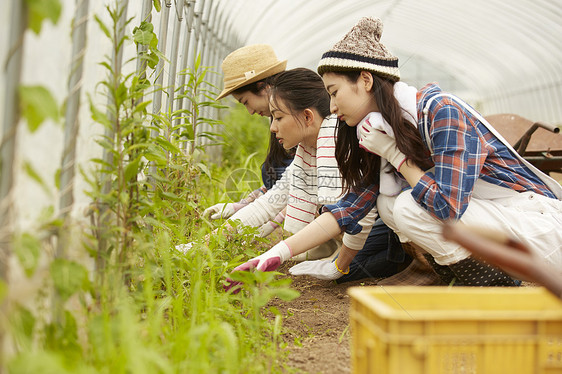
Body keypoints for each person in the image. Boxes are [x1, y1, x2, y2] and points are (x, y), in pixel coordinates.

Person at [226, 16, 562, 288]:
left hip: (539, 228)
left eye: (335, 91)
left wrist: (399, 158)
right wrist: (273, 256)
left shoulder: (439, 111)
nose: (331, 105)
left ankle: (493, 286)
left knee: (405, 205)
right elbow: (350, 207)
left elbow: (447, 205)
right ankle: (473, 281)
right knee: (388, 203)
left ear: (366, 80)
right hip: (495, 229)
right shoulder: (380, 130)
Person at [224, 67, 412, 289]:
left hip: (388, 220)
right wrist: (209, 241)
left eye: (278, 117)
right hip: (361, 220)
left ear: (307, 116)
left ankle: (409, 259)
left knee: (342, 271)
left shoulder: (336, 141)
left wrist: (337, 263)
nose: (273, 128)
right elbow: (270, 201)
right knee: (334, 261)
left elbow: (358, 213)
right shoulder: (308, 149)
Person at [203, 44, 294, 237]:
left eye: (246, 102)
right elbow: (280, 183)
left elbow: (299, 188)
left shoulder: (299, 123)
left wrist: (271, 223)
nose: (250, 111)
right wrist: (240, 205)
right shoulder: (280, 123)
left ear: (265, 88)